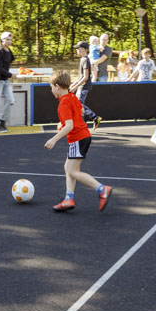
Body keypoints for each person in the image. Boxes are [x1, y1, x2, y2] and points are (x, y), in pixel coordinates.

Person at [44, 69, 113, 213]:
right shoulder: (71, 96)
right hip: (83, 136)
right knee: (69, 168)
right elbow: (80, 111)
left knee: (72, 171)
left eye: (51, 87)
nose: (51, 90)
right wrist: (63, 122)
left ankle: (102, 189)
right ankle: (69, 198)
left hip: (78, 138)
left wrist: (54, 139)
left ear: (57, 86)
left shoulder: (63, 103)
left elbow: (69, 126)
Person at [70, 41, 102, 130]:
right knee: (79, 105)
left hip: (84, 86)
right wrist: (74, 84)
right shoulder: (83, 59)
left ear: (84, 49)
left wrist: (76, 86)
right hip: (81, 85)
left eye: (78, 48)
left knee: (78, 104)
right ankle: (82, 124)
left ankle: (94, 117)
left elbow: (86, 76)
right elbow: (81, 76)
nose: (76, 50)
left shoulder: (85, 59)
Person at [0, 31, 15, 132]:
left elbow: (11, 60)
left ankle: (2, 120)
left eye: (10, 40)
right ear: (2, 40)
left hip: (5, 80)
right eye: (7, 40)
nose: (9, 42)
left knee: (11, 100)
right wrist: (10, 75)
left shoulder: (9, 50)